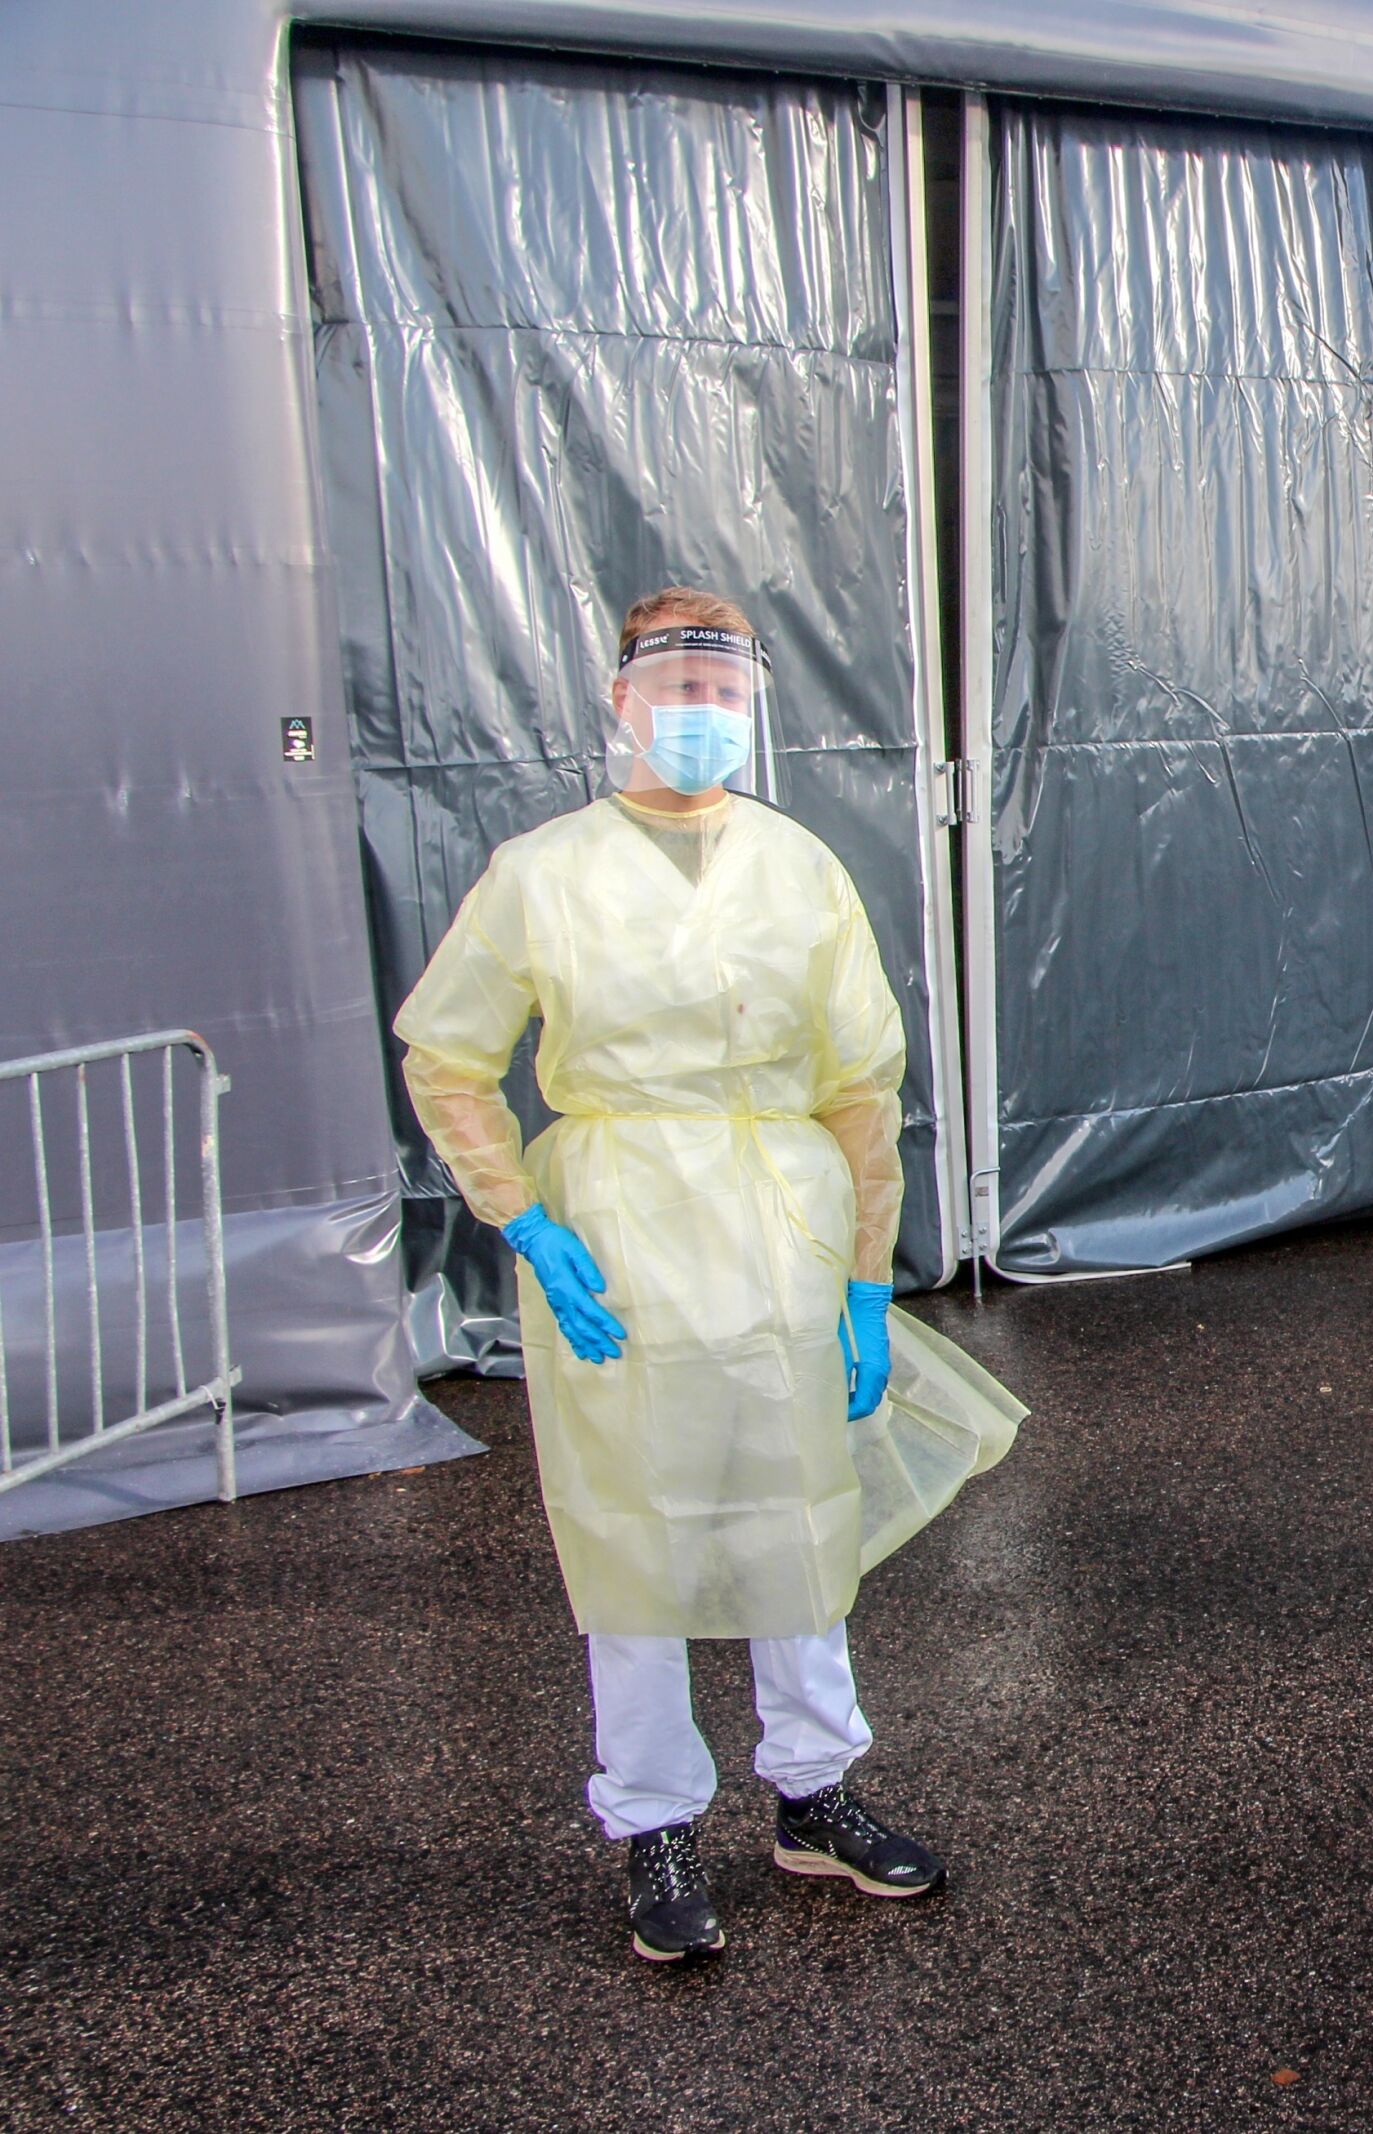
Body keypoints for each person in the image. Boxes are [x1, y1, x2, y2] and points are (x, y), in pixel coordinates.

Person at [394, 586, 1021, 1965]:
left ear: (753, 707)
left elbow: (861, 1084)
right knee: (635, 1524)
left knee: (797, 1510)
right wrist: (524, 1217)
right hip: (617, 1233)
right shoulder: (543, 872)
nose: (697, 713)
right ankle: (655, 1817)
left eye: (722, 690)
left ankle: (812, 1788)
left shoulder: (799, 869)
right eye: (672, 686)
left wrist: (867, 1276)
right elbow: (445, 1052)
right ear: (619, 700)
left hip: (777, 1233)